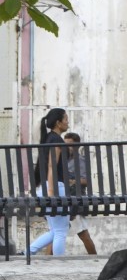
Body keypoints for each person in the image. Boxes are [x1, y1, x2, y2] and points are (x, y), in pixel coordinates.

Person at [29, 108, 71, 256]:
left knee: (55, 230)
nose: (68, 122)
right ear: (58, 123)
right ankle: (59, 263)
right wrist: (52, 194)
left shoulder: (48, 138)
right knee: (61, 231)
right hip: (55, 187)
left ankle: (28, 252)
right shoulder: (56, 140)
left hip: (47, 187)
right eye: (66, 119)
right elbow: (52, 166)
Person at [64, 132, 98, 255]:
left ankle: (94, 258)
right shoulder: (61, 160)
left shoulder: (80, 161)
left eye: (70, 145)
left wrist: (71, 181)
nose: (67, 148)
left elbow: (86, 181)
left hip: (75, 200)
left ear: (77, 146)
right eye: (64, 145)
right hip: (64, 199)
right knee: (56, 233)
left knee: (82, 233)